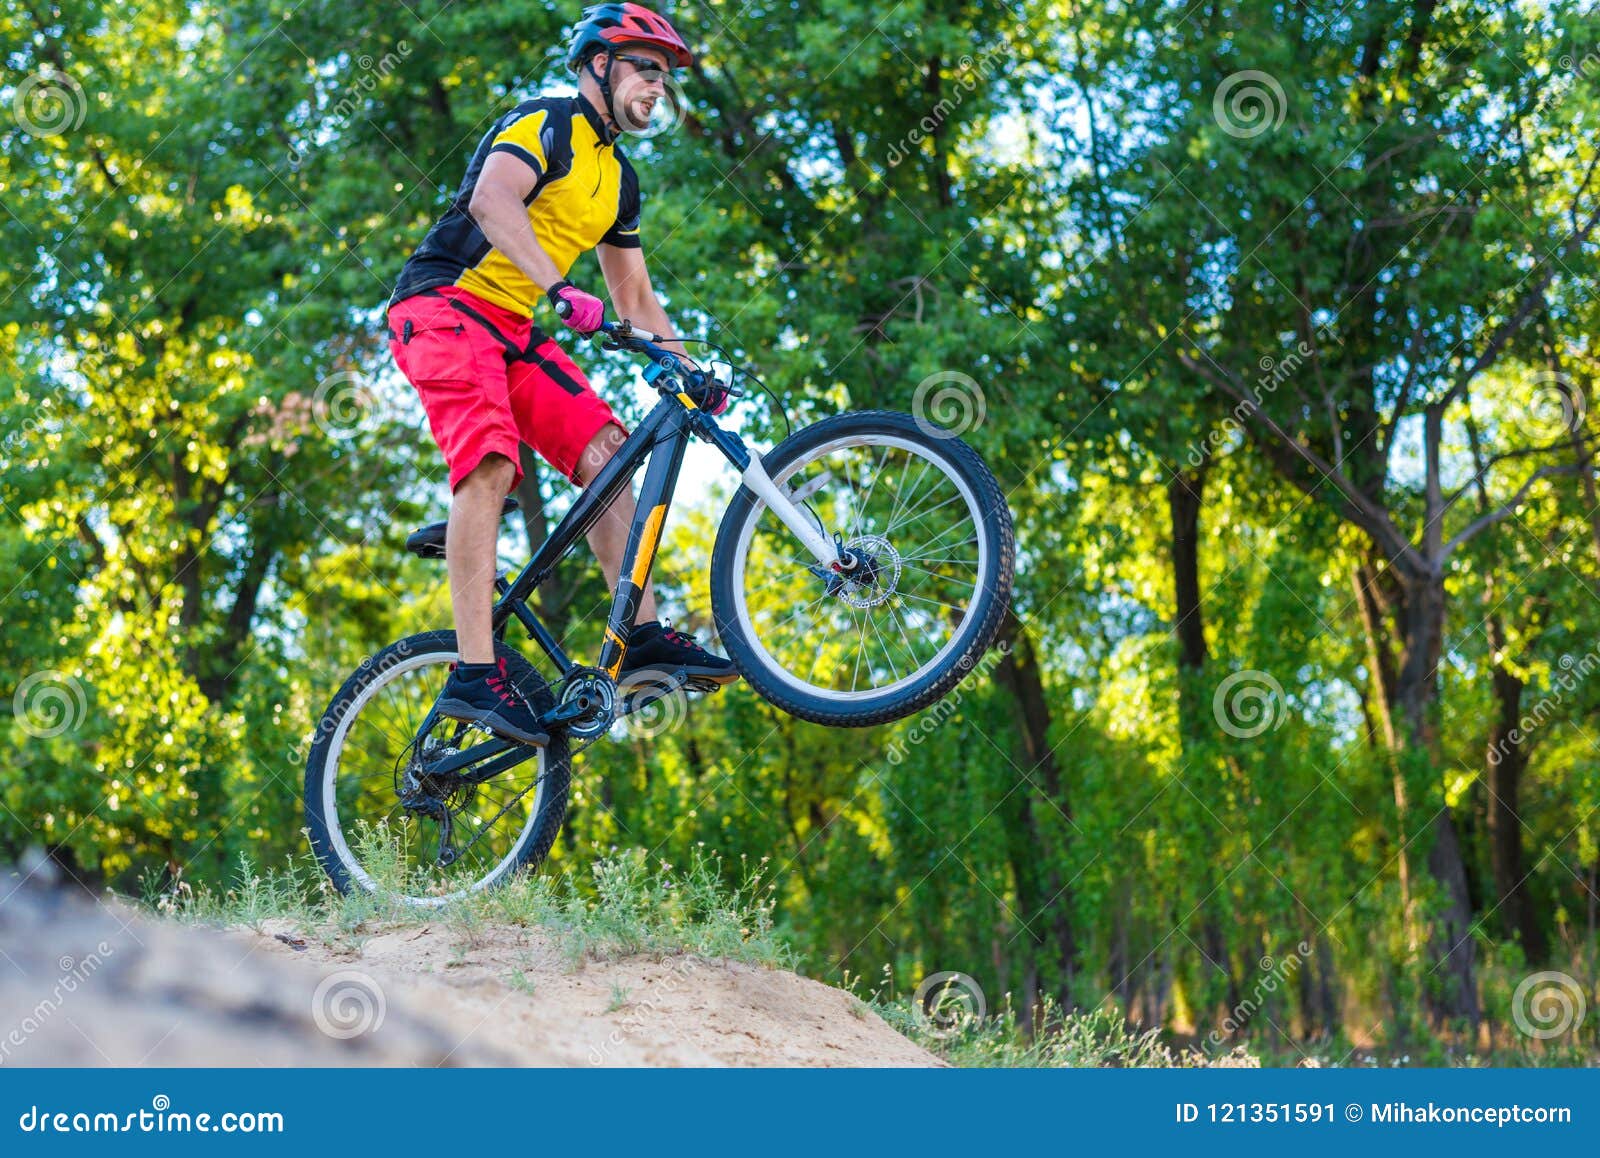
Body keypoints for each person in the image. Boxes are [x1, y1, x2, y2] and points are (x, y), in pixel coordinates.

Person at [385, 3, 736, 746]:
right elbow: (491, 199)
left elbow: (634, 299)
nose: (657, 88)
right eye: (646, 69)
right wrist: (555, 287)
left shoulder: (619, 180)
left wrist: (690, 370)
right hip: (443, 305)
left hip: (510, 328)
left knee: (610, 452)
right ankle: (476, 675)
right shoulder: (547, 121)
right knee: (489, 461)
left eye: (665, 78)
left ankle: (638, 639)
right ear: (599, 66)